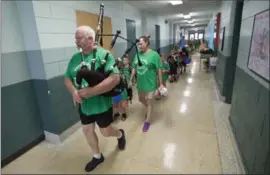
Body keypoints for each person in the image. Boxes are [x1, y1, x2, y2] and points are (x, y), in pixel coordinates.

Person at [64, 25, 126, 172]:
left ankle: (120, 134)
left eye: (79, 38)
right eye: (76, 38)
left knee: (106, 132)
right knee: (87, 130)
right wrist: (73, 91)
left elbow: (115, 79)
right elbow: (67, 78)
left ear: (90, 39)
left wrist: (91, 91)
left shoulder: (104, 55)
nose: (76, 41)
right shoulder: (75, 58)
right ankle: (97, 156)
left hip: (102, 105)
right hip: (84, 106)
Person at [129, 36, 164, 132]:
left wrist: (161, 84)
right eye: (138, 44)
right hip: (141, 83)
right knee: (141, 99)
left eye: (141, 44)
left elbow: (159, 69)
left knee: (149, 102)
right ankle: (149, 108)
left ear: (147, 43)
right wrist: (130, 80)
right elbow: (134, 68)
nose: (139, 46)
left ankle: (147, 121)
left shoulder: (154, 55)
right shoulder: (137, 55)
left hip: (150, 83)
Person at [112, 56, 130, 121]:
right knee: (115, 103)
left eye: (119, 64)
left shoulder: (123, 71)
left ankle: (124, 113)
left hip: (122, 89)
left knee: (123, 104)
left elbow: (126, 80)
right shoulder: (112, 71)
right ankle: (116, 113)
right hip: (114, 90)